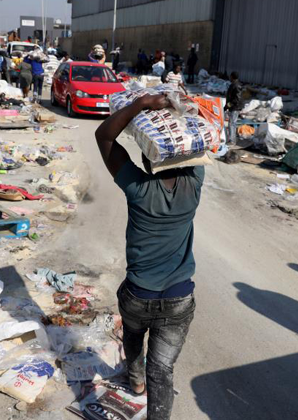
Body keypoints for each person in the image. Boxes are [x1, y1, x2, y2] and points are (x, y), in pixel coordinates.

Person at [95, 94, 203, 420]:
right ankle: (152, 396)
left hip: (138, 296)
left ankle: (135, 380)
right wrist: (180, 107)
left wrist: (141, 104)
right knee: (163, 369)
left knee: (132, 334)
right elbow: (197, 138)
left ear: (149, 157)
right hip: (179, 299)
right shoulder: (194, 184)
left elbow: (104, 136)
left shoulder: (138, 188)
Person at [225, 71, 243, 146]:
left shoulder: (236, 85)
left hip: (235, 107)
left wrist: (228, 105)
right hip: (234, 107)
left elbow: (237, 99)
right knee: (232, 123)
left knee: (232, 124)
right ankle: (232, 139)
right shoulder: (235, 84)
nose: (229, 78)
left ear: (232, 77)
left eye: (230, 76)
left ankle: (232, 141)